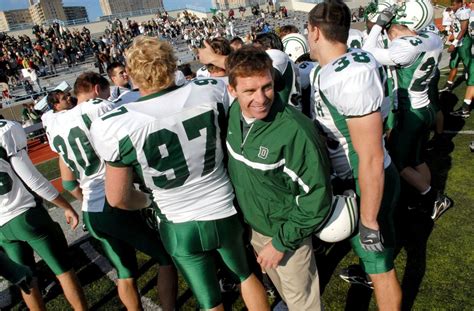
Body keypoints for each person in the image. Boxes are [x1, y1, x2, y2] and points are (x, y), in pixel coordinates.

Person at [90, 36, 269, 311]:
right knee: (246, 275)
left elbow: (117, 198)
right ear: (172, 63)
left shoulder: (116, 123)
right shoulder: (209, 90)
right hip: (223, 208)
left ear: (134, 73)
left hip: (178, 223)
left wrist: (149, 202)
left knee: (210, 301)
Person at [45, 72, 178, 311]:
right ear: (97, 90)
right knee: (165, 259)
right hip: (115, 200)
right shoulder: (98, 108)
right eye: (106, 93)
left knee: (125, 272)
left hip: (91, 210)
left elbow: (67, 183)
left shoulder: (57, 122)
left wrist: (85, 199)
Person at [307, 0, 401, 309]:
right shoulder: (343, 64)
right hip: (356, 176)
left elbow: (371, 156)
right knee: (375, 263)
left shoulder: (347, 73)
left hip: (366, 178)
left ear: (315, 31)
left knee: (381, 268)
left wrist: (369, 219)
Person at [224, 45, 332, 310]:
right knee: (284, 292)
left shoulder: (296, 132)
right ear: (232, 91)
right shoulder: (233, 114)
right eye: (249, 91)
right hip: (254, 227)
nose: (261, 98)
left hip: (286, 235)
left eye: (267, 87)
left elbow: (317, 198)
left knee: (302, 303)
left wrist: (282, 242)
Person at [363, 0, 452, 221]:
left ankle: (434, 197)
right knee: (418, 158)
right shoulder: (431, 38)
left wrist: (378, 25)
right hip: (426, 107)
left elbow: (366, 53)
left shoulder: (405, 47)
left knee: (397, 160)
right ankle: (423, 198)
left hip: (411, 112)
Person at [0, 119, 87, 311]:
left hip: (2, 227)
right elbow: (32, 179)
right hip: (26, 214)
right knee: (63, 270)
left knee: (26, 279)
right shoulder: (6, 129)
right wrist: (66, 206)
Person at [440, 0, 472, 94]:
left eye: (454, 4)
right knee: (453, 63)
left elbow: (463, 29)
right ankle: (448, 85)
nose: (452, 6)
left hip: (464, 41)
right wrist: (449, 29)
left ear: (460, 4)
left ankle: (471, 84)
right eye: (451, 4)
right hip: (458, 40)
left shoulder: (464, 12)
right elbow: (455, 26)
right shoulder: (454, 11)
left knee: (468, 63)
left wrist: (454, 43)